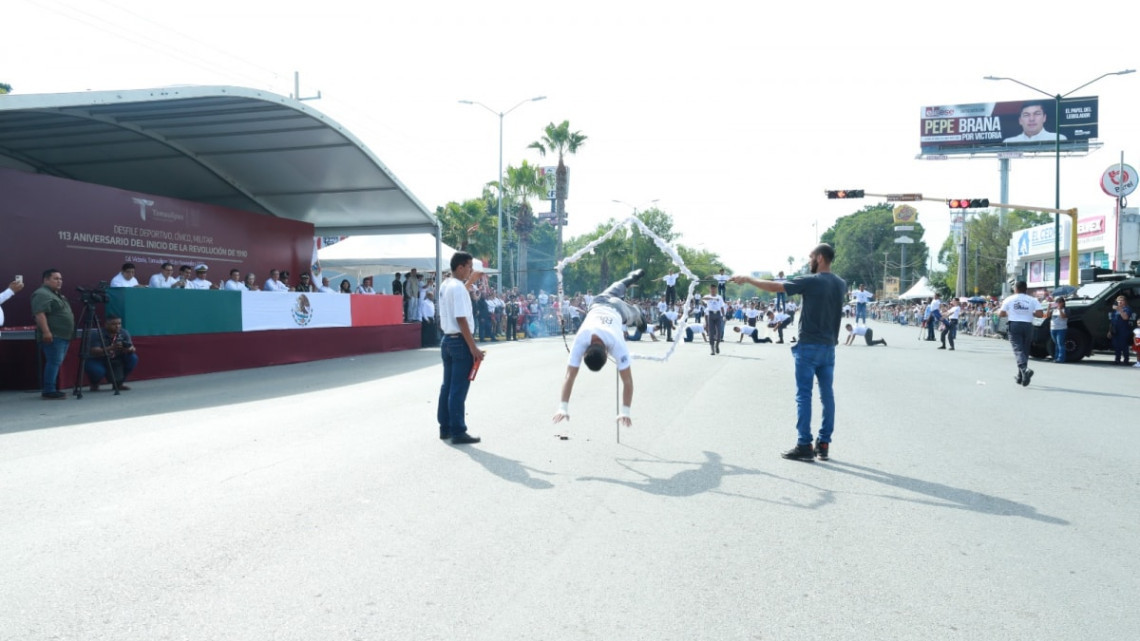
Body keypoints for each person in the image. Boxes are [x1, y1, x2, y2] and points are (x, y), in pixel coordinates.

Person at [732, 243, 846, 461]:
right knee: (827, 395)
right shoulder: (841, 283)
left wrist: (748, 279)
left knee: (804, 395)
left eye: (811, 257)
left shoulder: (811, 281)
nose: (810, 260)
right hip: (829, 346)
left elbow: (776, 287)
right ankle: (823, 444)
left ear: (820, 258)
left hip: (808, 345)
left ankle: (804, 445)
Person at [553, 269, 646, 428]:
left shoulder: (616, 344)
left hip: (619, 310)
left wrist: (625, 411)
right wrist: (562, 406)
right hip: (599, 301)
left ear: (606, 352)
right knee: (621, 284)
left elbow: (627, 381)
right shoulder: (581, 340)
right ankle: (632, 277)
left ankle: (638, 314)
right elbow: (569, 377)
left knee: (636, 317)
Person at [437, 251, 484, 445]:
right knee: (458, 388)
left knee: (447, 386)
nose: (470, 270)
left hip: (447, 339)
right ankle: (458, 430)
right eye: (469, 267)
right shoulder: (457, 288)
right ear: (460, 267)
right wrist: (473, 347)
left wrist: (470, 283)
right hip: (460, 342)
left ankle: (445, 427)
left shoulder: (447, 284)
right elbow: (461, 318)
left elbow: (459, 294)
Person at [32, 268, 75, 400]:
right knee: (54, 361)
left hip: (62, 336)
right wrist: (46, 332)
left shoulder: (57, 294)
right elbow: (40, 314)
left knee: (56, 362)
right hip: (53, 335)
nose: (59, 281)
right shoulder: (42, 294)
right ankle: (49, 390)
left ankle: (52, 388)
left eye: (60, 279)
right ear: (46, 280)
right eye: (56, 279)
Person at [999, 280, 1044, 386]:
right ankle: (1021, 377)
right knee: (1024, 351)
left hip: (1014, 325)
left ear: (1015, 289)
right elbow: (1040, 314)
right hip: (1028, 325)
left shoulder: (1010, 299)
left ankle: (1024, 369)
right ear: (1026, 289)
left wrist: (1009, 312)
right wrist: (1030, 312)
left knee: (1018, 349)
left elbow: (1001, 314)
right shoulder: (1032, 300)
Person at [84, 315, 138, 391]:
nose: (117, 326)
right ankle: (94, 383)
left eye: (119, 323)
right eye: (114, 324)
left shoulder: (124, 333)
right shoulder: (97, 333)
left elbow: (132, 347)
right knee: (97, 370)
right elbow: (94, 351)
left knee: (133, 358)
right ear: (106, 325)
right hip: (98, 359)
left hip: (116, 359)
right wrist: (112, 347)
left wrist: (129, 349)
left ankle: (119, 383)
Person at [1109, 294, 1133, 365]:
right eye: (1118, 301)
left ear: (1125, 301)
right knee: (1116, 346)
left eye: (1121, 301)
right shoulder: (1115, 311)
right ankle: (1117, 359)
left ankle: (1126, 360)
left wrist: (1120, 310)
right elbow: (1112, 321)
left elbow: (1125, 317)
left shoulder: (1127, 309)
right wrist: (1109, 331)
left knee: (1124, 345)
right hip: (1115, 330)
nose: (1119, 302)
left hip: (1124, 330)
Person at [704, 284, 725, 355]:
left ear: (716, 289)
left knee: (719, 332)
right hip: (711, 315)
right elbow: (703, 299)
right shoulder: (708, 296)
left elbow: (722, 307)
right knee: (711, 333)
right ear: (710, 289)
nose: (713, 290)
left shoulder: (719, 297)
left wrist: (724, 316)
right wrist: (712, 298)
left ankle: (717, 345)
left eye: (714, 289)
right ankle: (712, 349)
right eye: (711, 289)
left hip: (718, 315)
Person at [1046, 296, 1068, 362]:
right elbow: (1048, 316)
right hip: (1053, 328)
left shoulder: (1065, 309)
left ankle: (1061, 358)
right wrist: (1049, 307)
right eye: (1057, 302)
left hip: (1061, 328)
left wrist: (1060, 309)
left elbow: (1063, 316)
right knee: (1056, 343)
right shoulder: (1054, 310)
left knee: (1060, 343)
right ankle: (1056, 357)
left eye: (1059, 302)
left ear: (1063, 303)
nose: (1058, 303)